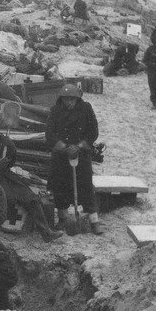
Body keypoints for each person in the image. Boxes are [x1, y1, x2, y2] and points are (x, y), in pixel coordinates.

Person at [0, 116, 64, 242]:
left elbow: (10, 162)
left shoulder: (1, 139)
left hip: (4, 176)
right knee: (4, 199)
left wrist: (12, 150)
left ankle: (47, 233)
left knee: (31, 197)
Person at [45, 85, 102, 235]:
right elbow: (49, 134)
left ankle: (94, 221)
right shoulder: (55, 111)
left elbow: (93, 132)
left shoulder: (86, 109)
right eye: (66, 99)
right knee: (60, 186)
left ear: (77, 99)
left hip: (81, 155)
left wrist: (79, 146)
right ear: (61, 99)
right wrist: (64, 147)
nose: (69, 102)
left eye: (72, 99)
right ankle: (63, 218)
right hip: (61, 156)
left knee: (86, 186)